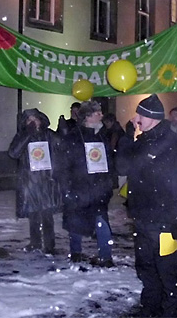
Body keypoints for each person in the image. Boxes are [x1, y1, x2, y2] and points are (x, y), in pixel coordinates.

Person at [116, 94, 177, 318]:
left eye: (140, 114)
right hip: (142, 219)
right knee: (146, 269)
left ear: (152, 117)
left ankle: (168, 313)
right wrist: (128, 135)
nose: (136, 118)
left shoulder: (172, 144)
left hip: (164, 222)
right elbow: (122, 166)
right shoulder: (144, 140)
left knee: (167, 272)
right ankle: (150, 308)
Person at [58, 100, 114, 267]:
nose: (102, 115)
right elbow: (64, 165)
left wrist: (108, 183)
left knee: (101, 221)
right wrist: (67, 188)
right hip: (79, 187)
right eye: (98, 113)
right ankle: (76, 253)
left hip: (98, 189)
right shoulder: (73, 138)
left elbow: (108, 161)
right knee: (76, 221)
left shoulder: (101, 136)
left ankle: (106, 256)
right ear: (88, 117)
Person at [8, 108, 61, 255]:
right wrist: (27, 135)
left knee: (47, 215)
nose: (32, 122)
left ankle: (50, 246)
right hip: (30, 181)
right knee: (34, 214)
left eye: (35, 118)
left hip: (47, 181)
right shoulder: (22, 136)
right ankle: (35, 243)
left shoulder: (49, 134)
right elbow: (14, 152)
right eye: (29, 120)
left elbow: (62, 147)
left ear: (41, 119)